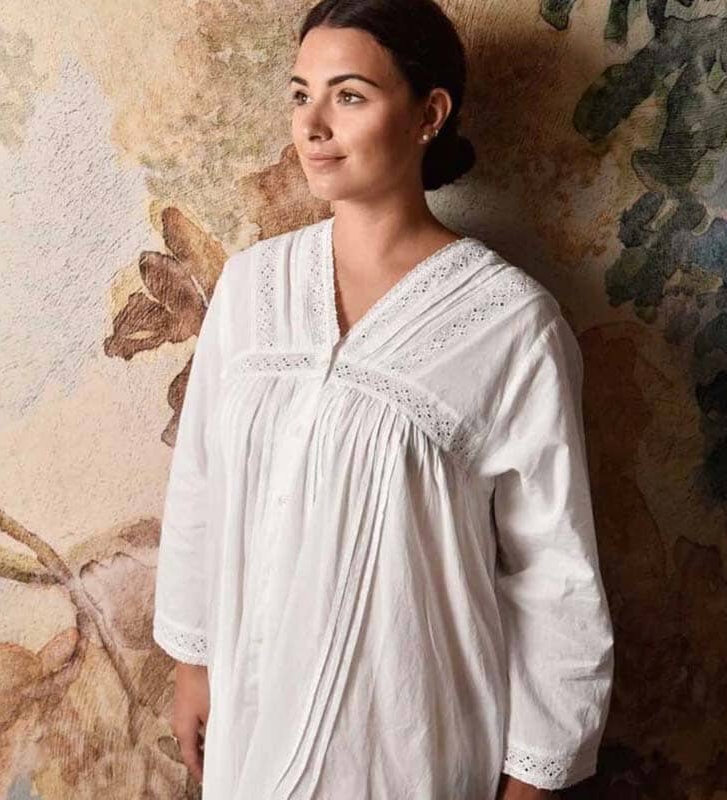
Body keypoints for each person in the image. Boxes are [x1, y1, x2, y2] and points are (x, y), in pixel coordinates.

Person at [152, 1, 615, 798]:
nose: (313, 126)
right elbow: (200, 481)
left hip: (409, 742)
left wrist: (533, 777)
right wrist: (193, 661)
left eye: (349, 96)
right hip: (252, 720)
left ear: (429, 113)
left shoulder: (511, 325)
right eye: (301, 95)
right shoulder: (252, 287)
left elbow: (554, 572)